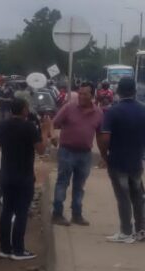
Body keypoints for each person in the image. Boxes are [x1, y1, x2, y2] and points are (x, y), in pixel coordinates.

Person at [0, 98, 49, 261]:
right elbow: (41, 150)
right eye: (27, 108)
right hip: (24, 177)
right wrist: (45, 130)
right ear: (24, 110)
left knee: (6, 211)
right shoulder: (29, 127)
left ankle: (4, 248)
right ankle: (18, 250)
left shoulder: (2, 125)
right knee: (21, 212)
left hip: (6, 175)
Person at [98, 77, 145, 243]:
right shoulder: (143, 110)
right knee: (138, 197)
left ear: (118, 91)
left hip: (117, 161)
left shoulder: (113, 111)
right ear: (134, 91)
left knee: (123, 197)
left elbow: (105, 138)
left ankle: (126, 231)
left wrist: (104, 155)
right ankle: (141, 230)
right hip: (136, 162)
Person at [50, 82, 103, 226]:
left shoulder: (98, 113)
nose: (81, 96)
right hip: (67, 152)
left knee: (79, 185)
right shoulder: (69, 107)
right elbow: (52, 123)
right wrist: (53, 135)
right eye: (80, 93)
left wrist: (104, 155)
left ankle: (77, 215)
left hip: (85, 154)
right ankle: (57, 214)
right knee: (62, 183)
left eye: (85, 94)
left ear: (92, 95)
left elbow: (100, 135)